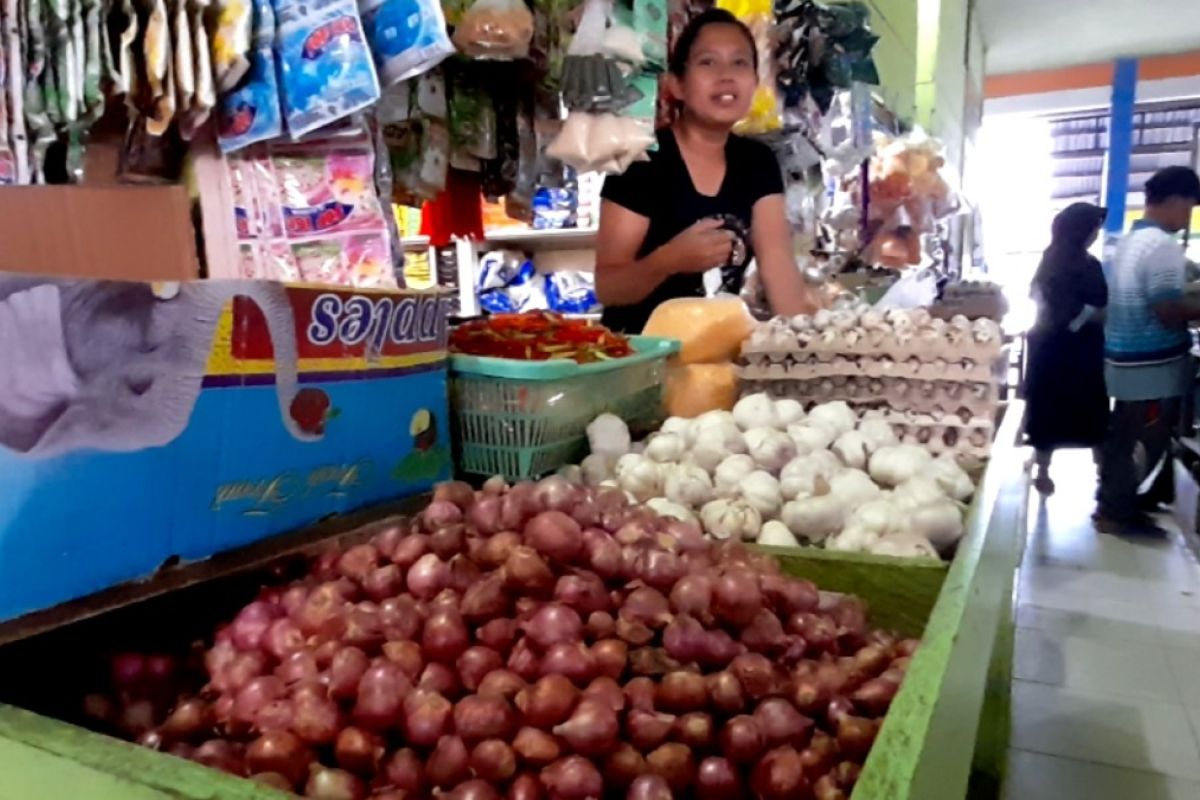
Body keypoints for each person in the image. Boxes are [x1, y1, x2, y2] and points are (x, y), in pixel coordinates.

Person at [594, 9, 820, 333]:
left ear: (755, 83)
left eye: (739, 62)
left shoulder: (758, 163)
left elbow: (779, 268)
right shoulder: (642, 162)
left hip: (714, 358)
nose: (726, 75)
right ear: (677, 85)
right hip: (639, 361)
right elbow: (609, 287)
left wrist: (808, 345)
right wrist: (668, 260)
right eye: (708, 62)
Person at [1096, 166, 1200, 533]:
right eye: (1188, 208)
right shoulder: (1162, 247)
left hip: (1125, 361)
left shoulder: (1129, 242)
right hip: (1152, 367)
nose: (1187, 217)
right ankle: (1117, 512)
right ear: (1175, 201)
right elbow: (1166, 309)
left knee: (1124, 437)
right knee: (1145, 438)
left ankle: (1114, 505)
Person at [1024, 203, 1109, 496]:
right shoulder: (1073, 265)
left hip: (1060, 350)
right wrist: (1089, 315)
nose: (1096, 234)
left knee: (1058, 413)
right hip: (1069, 351)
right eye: (1093, 228)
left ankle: (1048, 471)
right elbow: (1086, 307)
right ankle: (1096, 472)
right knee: (1076, 412)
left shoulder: (1059, 261)